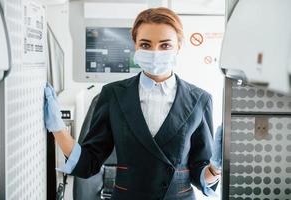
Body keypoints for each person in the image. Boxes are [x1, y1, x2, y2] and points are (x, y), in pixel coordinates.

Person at [44, 7, 222, 200]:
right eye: (146, 45)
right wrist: (58, 129)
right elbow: (89, 162)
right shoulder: (113, 94)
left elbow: (199, 173)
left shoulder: (199, 99)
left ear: (179, 46)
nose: (155, 52)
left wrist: (216, 167)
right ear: (135, 46)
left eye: (165, 45)